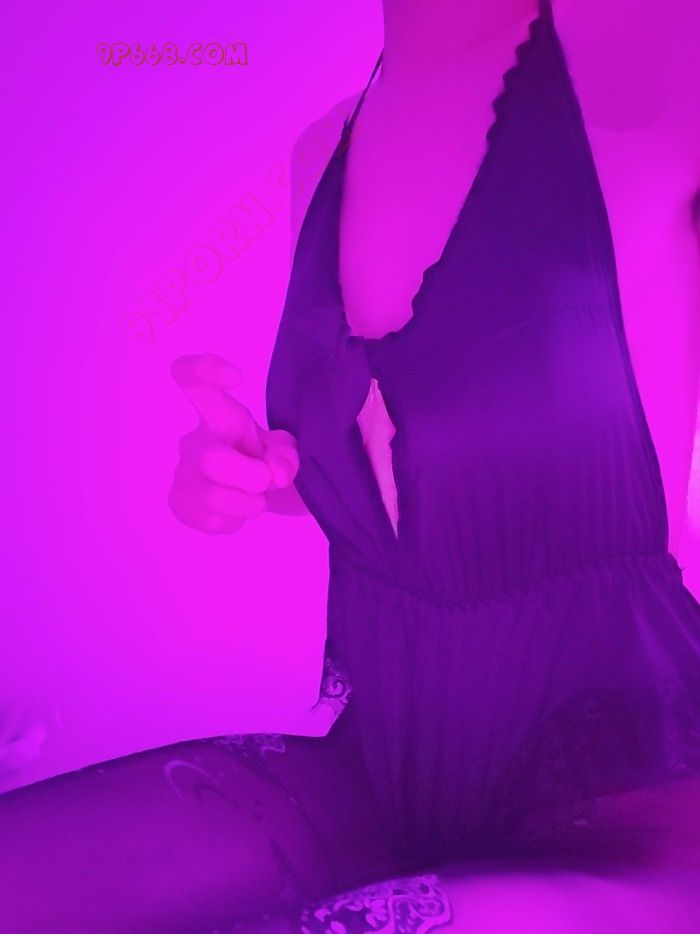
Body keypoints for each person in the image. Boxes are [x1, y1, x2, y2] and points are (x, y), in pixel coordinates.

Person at [2, 0, 700, 931]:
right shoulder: (326, 144)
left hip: (631, 799)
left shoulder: (657, 75)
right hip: (389, 769)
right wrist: (251, 474)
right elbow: (409, 470)